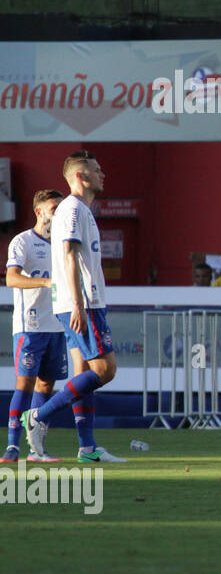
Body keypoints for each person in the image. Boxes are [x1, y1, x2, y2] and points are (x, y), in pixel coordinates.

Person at [21, 151, 125, 463]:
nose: (102, 173)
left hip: (81, 301)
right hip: (82, 302)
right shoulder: (73, 209)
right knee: (105, 370)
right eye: (96, 169)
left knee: (82, 372)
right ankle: (38, 415)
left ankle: (87, 448)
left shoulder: (80, 210)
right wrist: (79, 304)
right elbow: (68, 255)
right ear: (81, 177)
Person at [6, 189, 67, 462]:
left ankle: (36, 449)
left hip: (57, 325)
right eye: (54, 208)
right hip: (30, 325)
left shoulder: (64, 243)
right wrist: (45, 282)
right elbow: (11, 278)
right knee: (25, 384)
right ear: (39, 211)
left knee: (46, 386)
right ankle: (12, 447)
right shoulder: (23, 242)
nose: (58, 213)